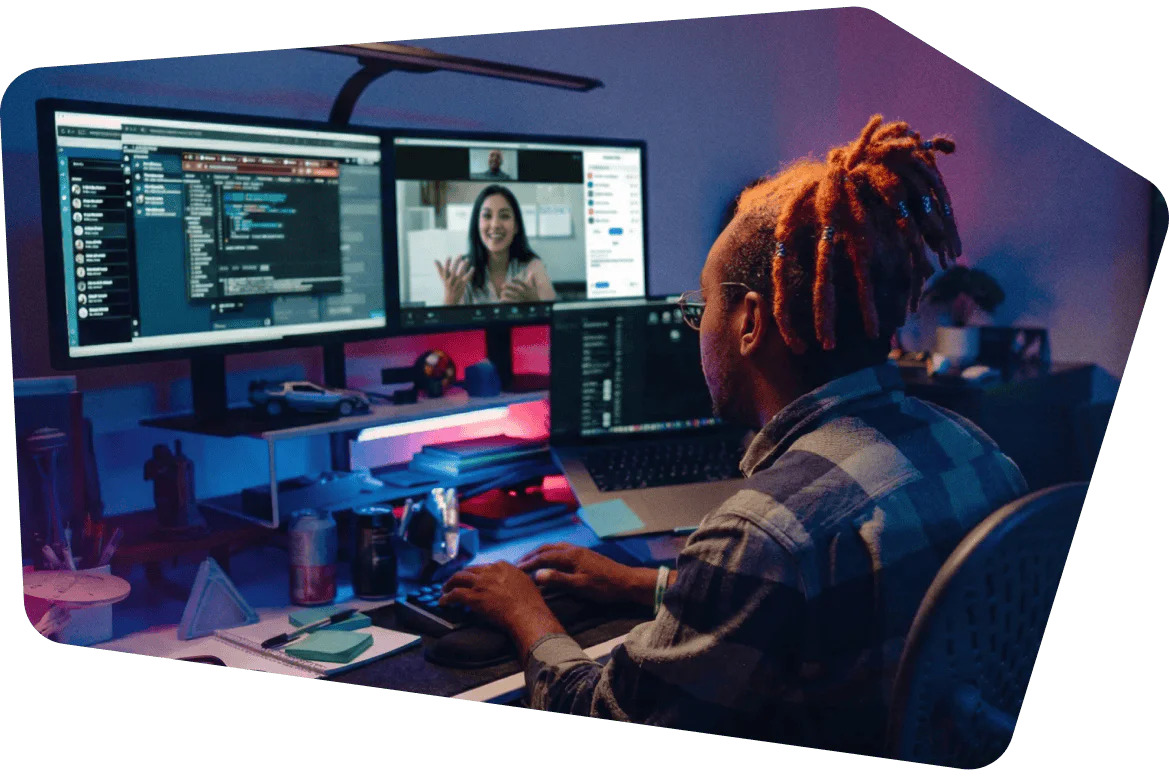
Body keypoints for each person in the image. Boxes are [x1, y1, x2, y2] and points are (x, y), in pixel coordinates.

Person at [438, 115, 1030, 755]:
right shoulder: (982, 457)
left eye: (703, 309)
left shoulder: (761, 532)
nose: (699, 330)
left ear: (749, 321)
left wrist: (523, 609)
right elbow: (809, 615)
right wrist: (643, 583)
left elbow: (605, 716)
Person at [436, 184, 556, 305]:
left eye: (504, 216)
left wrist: (535, 304)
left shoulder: (533, 267)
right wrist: (450, 299)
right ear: (477, 225)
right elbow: (449, 323)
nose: (495, 224)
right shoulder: (464, 272)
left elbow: (555, 319)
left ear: (516, 226)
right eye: (487, 216)